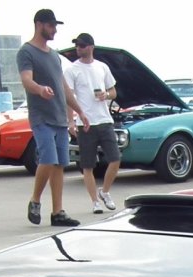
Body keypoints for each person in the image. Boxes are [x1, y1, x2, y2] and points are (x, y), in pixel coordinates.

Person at [17, 9, 89, 227]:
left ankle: (58, 212)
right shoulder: (26, 52)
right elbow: (26, 80)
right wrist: (39, 89)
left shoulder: (54, 56)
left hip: (59, 117)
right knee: (48, 159)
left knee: (59, 165)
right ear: (39, 24)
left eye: (55, 26)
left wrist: (79, 111)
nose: (54, 30)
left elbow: (64, 88)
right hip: (42, 116)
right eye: (51, 25)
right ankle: (35, 200)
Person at [66, 33, 120, 213]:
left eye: (82, 45)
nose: (78, 49)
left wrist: (106, 95)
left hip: (104, 119)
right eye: (77, 46)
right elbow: (69, 97)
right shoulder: (72, 70)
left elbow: (113, 91)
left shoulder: (102, 67)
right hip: (85, 122)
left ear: (91, 47)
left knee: (115, 159)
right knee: (87, 165)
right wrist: (71, 122)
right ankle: (95, 201)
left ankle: (105, 191)